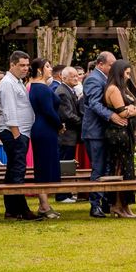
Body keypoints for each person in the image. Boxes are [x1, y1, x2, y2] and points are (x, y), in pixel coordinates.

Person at [82, 51, 128, 218]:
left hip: (105, 131)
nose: (113, 67)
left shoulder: (106, 79)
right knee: (98, 168)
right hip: (95, 131)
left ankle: (105, 202)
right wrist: (112, 115)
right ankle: (95, 205)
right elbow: (93, 103)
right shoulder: (93, 79)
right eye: (111, 65)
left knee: (107, 167)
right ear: (100, 64)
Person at [0, 51, 41, 220]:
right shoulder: (8, 83)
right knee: (18, 171)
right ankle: (22, 209)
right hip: (15, 132)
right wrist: (17, 135)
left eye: (26, 65)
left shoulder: (17, 81)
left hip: (20, 131)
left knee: (13, 171)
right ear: (12, 65)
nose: (25, 68)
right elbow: (9, 110)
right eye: (21, 65)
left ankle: (11, 209)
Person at [104, 60, 136, 217]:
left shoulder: (122, 89)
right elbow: (123, 113)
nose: (129, 77)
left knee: (126, 167)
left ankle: (124, 205)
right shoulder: (113, 89)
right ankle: (117, 205)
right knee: (121, 168)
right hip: (118, 132)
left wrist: (132, 108)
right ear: (119, 72)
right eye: (127, 74)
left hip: (125, 131)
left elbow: (126, 109)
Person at [28, 58, 63, 218]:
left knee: (47, 166)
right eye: (48, 66)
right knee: (42, 168)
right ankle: (43, 205)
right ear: (40, 70)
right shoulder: (39, 88)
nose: (51, 69)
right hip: (44, 129)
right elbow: (49, 111)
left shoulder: (41, 86)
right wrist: (59, 124)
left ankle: (45, 204)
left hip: (46, 129)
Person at [56, 66, 82, 203]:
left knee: (68, 163)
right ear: (63, 77)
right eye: (73, 76)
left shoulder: (69, 90)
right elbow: (67, 115)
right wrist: (83, 122)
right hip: (66, 136)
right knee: (64, 165)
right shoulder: (62, 92)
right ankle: (61, 195)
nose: (76, 78)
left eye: (77, 76)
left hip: (70, 135)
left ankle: (66, 193)